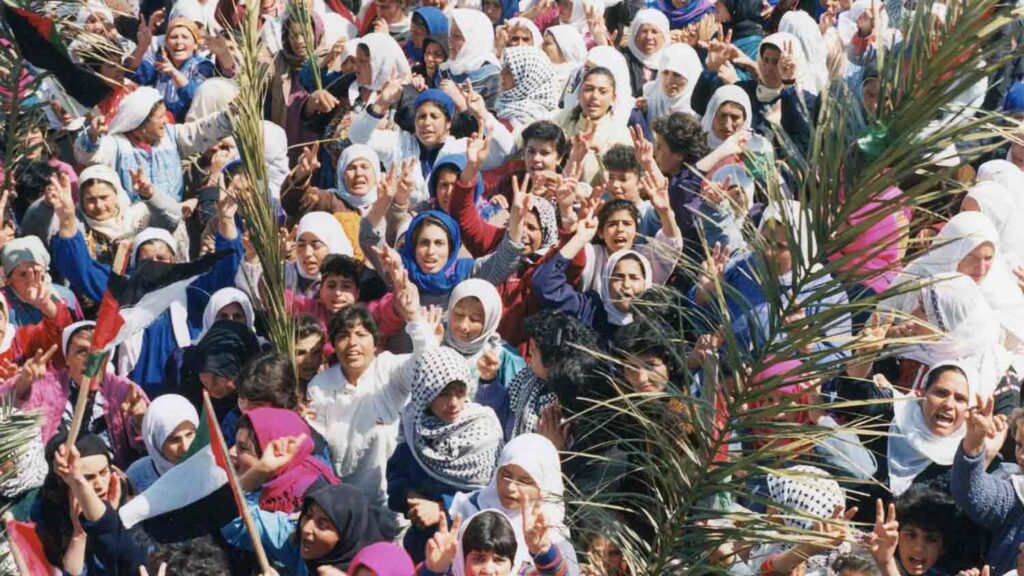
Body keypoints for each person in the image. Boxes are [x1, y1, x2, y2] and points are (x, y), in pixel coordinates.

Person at [305, 303, 438, 534]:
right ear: (334, 345)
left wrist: (415, 320)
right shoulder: (321, 386)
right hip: (346, 511)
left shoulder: (387, 369)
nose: (353, 343)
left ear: (375, 343)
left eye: (361, 334)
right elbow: (320, 453)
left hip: (395, 507)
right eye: (344, 336)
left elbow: (427, 364)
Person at [387, 347, 504, 562]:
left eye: (459, 392)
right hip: (421, 548)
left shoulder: (484, 428)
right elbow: (395, 478)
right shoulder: (414, 426)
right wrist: (410, 497)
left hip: (471, 549)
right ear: (425, 392)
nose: (453, 403)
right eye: (442, 393)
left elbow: (492, 496)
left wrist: (442, 508)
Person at [3, 321, 149, 468]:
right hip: (57, 478)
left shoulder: (124, 390)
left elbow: (148, 446)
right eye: (82, 352)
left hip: (108, 478)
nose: (91, 360)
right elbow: (9, 420)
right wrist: (23, 384)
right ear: (67, 358)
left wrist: (140, 419)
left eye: (99, 352)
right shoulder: (47, 386)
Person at [74, 86, 235, 201]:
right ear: (142, 123)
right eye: (160, 117)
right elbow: (86, 155)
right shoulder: (117, 145)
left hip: (174, 218)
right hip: (136, 227)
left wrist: (230, 113)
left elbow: (201, 131)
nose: (166, 120)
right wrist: (92, 135)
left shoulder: (170, 136)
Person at [448, 434, 578, 573]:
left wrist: (543, 552)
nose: (510, 488)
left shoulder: (550, 536)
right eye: (506, 475)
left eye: (524, 481)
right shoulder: (465, 512)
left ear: (544, 485)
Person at [231, 407, 339, 514]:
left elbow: (233, 520)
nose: (231, 452)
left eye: (243, 448)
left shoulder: (307, 500)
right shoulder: (261, 481)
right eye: (234, 444)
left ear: (275, 453)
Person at [126, 394, 198, 492]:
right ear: (155, 442)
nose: (185, 448)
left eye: (189, 434)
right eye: (174, 440)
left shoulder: (211, 468)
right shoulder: (137, 476)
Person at [621, 9, 670, 98]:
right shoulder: (622, 59)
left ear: (664, 36)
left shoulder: (670, 62)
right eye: (644, 31)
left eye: (654, 32)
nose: (649, 37)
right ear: (635, 35)